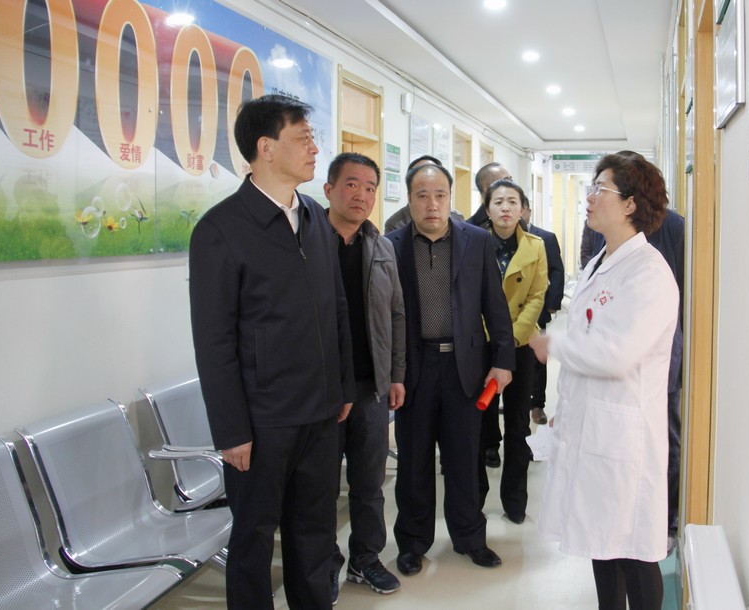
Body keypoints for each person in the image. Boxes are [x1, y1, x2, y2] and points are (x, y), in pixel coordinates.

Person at [189, 94, 355, 610]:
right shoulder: (220, 229)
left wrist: (343, 387)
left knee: (315, 531)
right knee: (254, 539)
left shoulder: (314, 217)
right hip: (262, 422)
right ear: (265, 148)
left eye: (312, 138)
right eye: (302, 139)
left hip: (320, 412)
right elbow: (213, 341)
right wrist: (231, 430)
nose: (314, 149)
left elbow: (337, 309)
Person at [529, 153, 679, 610]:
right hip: (593, 424)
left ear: (631, 204)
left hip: (623, 435)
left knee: (633, 552)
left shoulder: (649, 271)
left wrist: (553, 345)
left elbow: (617, 353)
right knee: (602, 541)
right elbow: (590, 333)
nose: (589, 198)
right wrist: (566, 412)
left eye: (600, 189)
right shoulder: (600, 260)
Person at [386, 163, 514, 576]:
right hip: (414, 367)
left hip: (466, 367)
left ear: (450, 198)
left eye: (440, 195)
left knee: (465, 458)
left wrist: (502, 361)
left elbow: (495, 305)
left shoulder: (476, 240)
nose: (432, 204)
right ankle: (412, 543)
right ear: (409, 200)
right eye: (422, 196)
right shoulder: (392, 245)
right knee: (413, 462)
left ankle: (470, 538)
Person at [323, 152, 405, 602]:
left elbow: (396, 314)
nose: (362, 195)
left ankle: (365, 559)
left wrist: (396, 375)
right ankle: (324, 564)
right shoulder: (307, 241)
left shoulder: (381, 246)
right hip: (321, 390)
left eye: (370, 187)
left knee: (369, 483)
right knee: (319, 487)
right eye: (352, 184)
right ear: (329, 189)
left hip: (370, 385)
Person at [615, 151, 685, 547]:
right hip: (617, 356)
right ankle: (626, 514)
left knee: (664, 437)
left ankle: (666, 520)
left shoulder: (673, 228)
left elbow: (682, 296)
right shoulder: (605, 230)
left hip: (660, 356)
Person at [477, 179, 548, 524]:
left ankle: (515, 501)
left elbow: (537, 296)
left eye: (512, 202)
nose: (505, 208)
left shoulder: (536, 246)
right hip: (481, 345)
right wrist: (492, 337)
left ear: (523, 209)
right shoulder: (472, 242)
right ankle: (474, 499)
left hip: (520, 347)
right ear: (487, 208)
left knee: (518, 426)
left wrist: (514, 337)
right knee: (479, 424)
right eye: (498, 202)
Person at [467, 161, 514, 468]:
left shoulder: (525, 227)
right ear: (486, 190)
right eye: (503, 180)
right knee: (483, 396)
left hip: (518, 331)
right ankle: (488, 445)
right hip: (479, 333)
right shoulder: (469, 231)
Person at [519, 193, 564, 426]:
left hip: (538, 308)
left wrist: (552, 302)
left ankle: (537, 404)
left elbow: (557, 271)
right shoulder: (499, 237)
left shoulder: (545, 238)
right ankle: (517, 400)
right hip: (511, 311)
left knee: (538, 358)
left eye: (520, 208)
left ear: (528, 211)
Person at [384, 155, 464, 232]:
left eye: (440, 196)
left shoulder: (457, 217)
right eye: (423, 196)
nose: (432, 206)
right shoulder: (396, 224)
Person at [467, 161, 513, 227]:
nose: (512, 185)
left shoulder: (519, 221)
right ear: (487, 188)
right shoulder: (470, 228)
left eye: (511, 180)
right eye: (506, 180)